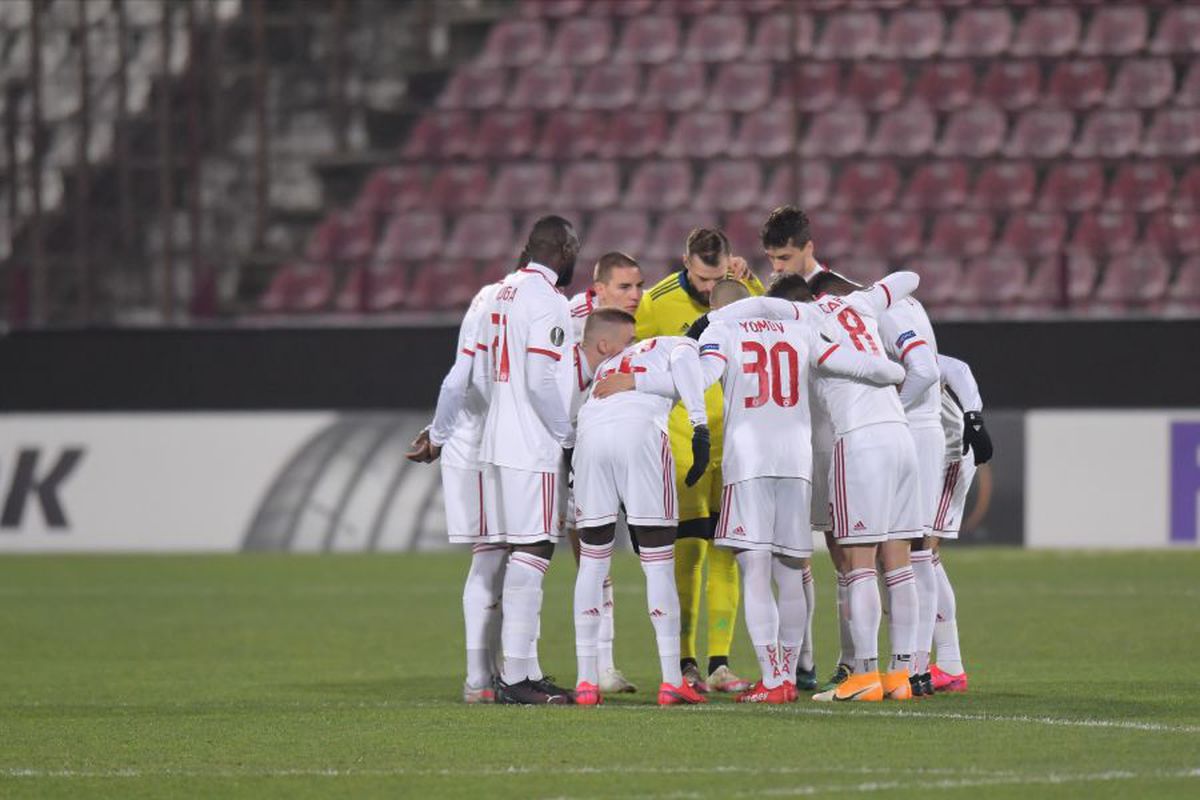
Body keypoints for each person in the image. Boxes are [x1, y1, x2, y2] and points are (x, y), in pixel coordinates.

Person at [709, 269, 923, 702]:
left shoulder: (802, 320)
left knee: (858, 563)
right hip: (901, 435)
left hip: (857, 441)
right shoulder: (860, 305)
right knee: (899, 564)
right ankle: (902, 675)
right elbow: (910, 276)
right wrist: (892, 368)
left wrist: (724, 316)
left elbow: (768, 312)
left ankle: (862, 675)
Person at [634, 228, 764, 693]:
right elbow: (642, 363)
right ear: (686, 263)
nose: (711, 290)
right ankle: (687, 662)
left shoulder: (747, 292)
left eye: (717, 278)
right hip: (683, 438)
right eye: (702, 278)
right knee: (687, 552)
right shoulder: (656, 302)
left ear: (730, 262)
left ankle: (720, 664)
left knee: (728, 550)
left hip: (737, 440)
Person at [572, 309, 711, 706]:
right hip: (641, 435)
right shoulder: (679, 344)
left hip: (591, 439)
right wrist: (699, 426)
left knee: (593, 562)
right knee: (657, 562)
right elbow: (690, 374)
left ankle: (585, 681)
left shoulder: (612, 364)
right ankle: (671, 680)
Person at [471, 215, 580, 705]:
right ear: (565, 248)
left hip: (495, 440)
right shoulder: (548, 300)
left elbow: (477, 373)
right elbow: (539, 380)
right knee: (534, 551)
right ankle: (515, 677)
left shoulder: (498, 292)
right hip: (530, 444)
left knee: (522, 551)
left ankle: (525, 669)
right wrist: (567, 434)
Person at [406, 281, 503, 704]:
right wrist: (439, 433)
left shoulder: (489, 297)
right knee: (492, 555)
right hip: (482, 445)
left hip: (492, 442)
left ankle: (495, 671)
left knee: (505, 558)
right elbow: (456, 380)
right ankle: (480, 676)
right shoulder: (501, 300)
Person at [563, 251, 646, 694]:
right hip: (564, 449)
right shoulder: (568, 321)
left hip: (603, 447)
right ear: (598, 290)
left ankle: (604, 665)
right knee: (578, 556)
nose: (636, 296)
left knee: (598, 556)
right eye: (625, 288)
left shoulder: (635, 321)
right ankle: (511, 662)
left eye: (638, 286)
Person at [878, 286, 943, 697]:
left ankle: (914, 666)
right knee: (919, 553)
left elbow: (925, 370)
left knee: (911, 552)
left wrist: (891, 409)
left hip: (914, 432)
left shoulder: (888, 313)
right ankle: (918, 666)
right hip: (924, 431)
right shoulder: (911, 305)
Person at [928, 353, 992, 693]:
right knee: (904, 554)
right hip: (922, 454)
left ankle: (948, 664)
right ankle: (922, 661)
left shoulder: (889, 331)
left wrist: (974, 419)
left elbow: (957, 368)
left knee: (921, 553)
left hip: (950, 449)